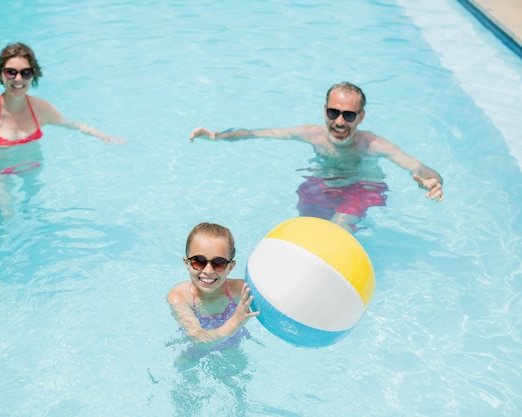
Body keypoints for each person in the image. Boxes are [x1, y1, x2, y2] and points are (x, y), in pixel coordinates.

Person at [189, 81, 444, 232]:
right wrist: (217, 137)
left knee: (337, 228)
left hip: (360, 188)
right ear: (324, 111)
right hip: (320, 187)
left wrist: (432, 179)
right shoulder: (311, 135)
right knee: (308, 231)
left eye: (349, 115)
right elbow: (259, 133)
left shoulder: (372, 144)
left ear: (361, 117)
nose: (340, 122)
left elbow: (416, 165)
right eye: (334, 113)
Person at [0, 42, 125, 187]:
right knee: (7, 218)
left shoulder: (40, 109)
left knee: (32, 212)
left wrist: (103, 136)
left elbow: (70, 124)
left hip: (31, 166)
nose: (18, 79)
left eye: (25, 72)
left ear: (33, 75)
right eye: (11, 72)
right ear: (1, 74)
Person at [167, 222, 259, 352]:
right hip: (194, 350)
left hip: (232, 345)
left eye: (219, 263)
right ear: (186, 263)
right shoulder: (179, 296)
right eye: (198, 261)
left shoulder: (240, 289)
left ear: (230, 267)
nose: (208, 271)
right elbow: (198, 339)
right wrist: (236, 321)